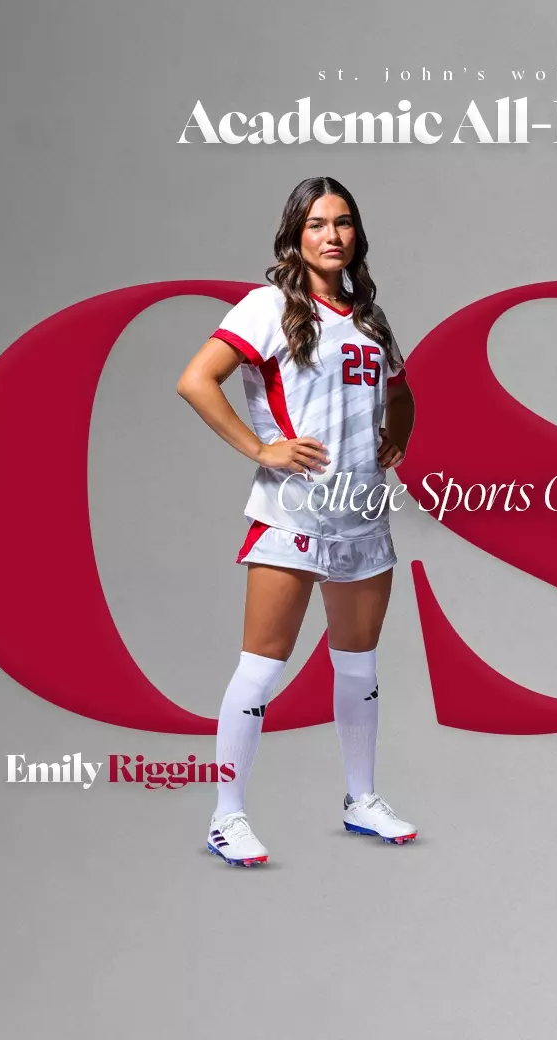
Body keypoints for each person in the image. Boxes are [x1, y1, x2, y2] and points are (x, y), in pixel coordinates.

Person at [176, 177, 418, 867]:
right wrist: (262, 449)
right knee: (260, 667)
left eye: (343, 223)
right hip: (292, 511)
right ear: (295, 235)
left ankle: (362, 799)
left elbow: (401, 394)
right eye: (317, 224)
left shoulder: (370, 317)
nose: (332, 235)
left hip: (362, 515)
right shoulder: (268, 306)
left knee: (359, 664)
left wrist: (394, 439)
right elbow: (197, 379)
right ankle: (228, 815)